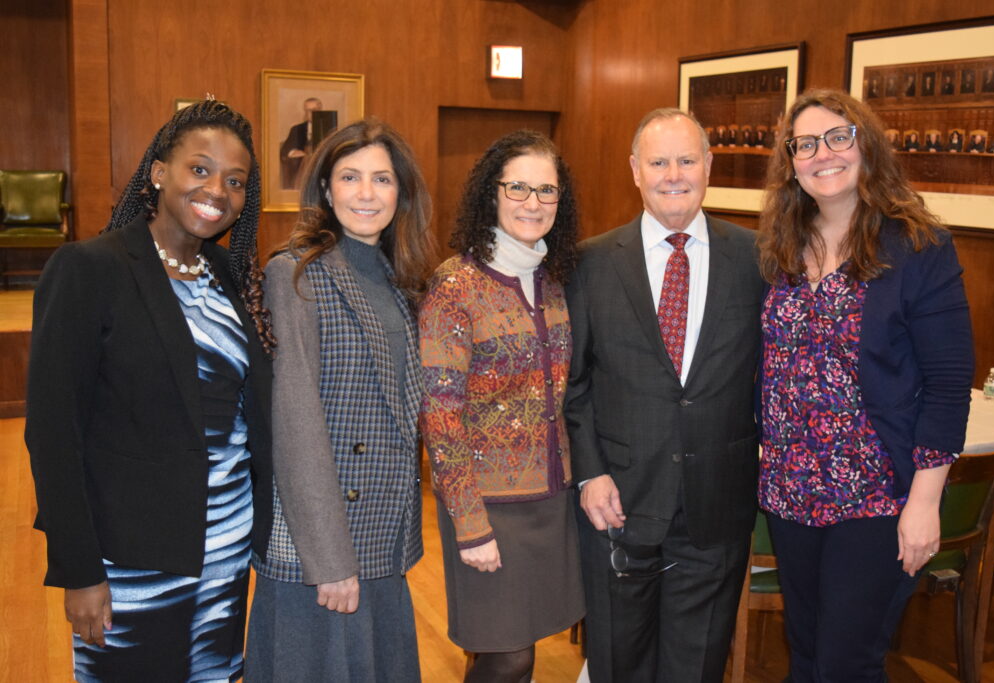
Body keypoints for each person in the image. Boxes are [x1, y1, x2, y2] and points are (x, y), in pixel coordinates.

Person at [25, 99, 274, 681]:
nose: (217, 189)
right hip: (131, 562)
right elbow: (54, 435)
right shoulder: (91, 269)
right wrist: (79, 570)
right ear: (159, 172)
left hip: (225, 550)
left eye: (235, 181)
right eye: (200, 168)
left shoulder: (227, 276)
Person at [757, 89, 973, 681]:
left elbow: (950, 384)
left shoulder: (919, 246)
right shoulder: (780, 247)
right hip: (790, 489)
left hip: (877, 493)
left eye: (838, 137)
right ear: (790, 161)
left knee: (847, 661)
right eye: (805, 144)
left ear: (865, 146)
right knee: (803, 651)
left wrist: (925, 503)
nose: (822, 154)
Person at [565, 108, 762, 682]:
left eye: (686, 159)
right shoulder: (590, 263)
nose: (672, 174)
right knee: (617, 667)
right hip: (616, 504)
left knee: (696, 669)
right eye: (658, 161)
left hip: (716, 509)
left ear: (708, 165)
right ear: (634, 170)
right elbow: (572, 386)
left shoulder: (756, 258)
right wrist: (590, 473)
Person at [245, 118, 435, 682]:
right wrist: (328, 560)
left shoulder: (403, 279)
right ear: (326, 190)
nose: (367, 193)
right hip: (321, 546)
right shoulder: (295, 273)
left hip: (382, 537)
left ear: (401, 193)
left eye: (382, 179)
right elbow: (297, 422)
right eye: (350, 177)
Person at [420, 130, 585, 683]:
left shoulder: (557, 281)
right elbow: (440, 414)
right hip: (487, 503)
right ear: (492, 193)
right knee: (506, 655)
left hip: (550, 497)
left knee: (526, 650)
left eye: (547, 191)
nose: (533, 203)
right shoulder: (455, 286)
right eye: (518, 188)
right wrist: (469, 522)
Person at [279, 97, 323, 190]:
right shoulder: (297, 129)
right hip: (300, 169)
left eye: (314, 110)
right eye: (307, 110)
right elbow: (285, 150)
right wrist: (293, 152)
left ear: (320, 111)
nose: (310, 113)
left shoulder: (327, 129)